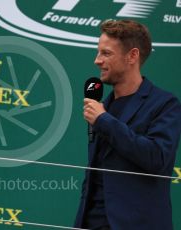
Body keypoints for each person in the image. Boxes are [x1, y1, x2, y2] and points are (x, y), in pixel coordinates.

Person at [74, 19, 181, 230]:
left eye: (106, 53)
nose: (97, 60)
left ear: (132, 56)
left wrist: (105, 121)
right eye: (98, 53)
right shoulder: (103, 107)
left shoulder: (165, 104)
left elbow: (157, 158)